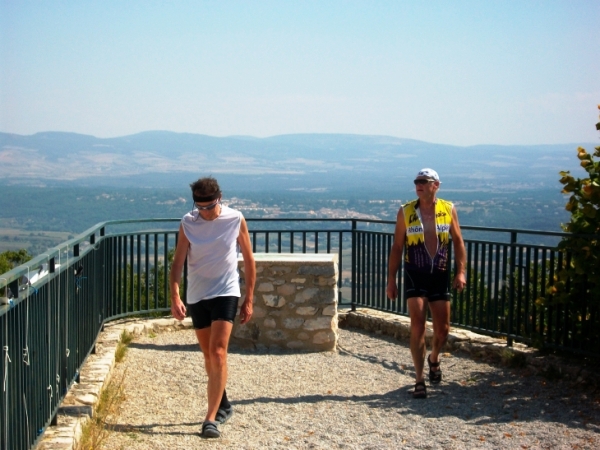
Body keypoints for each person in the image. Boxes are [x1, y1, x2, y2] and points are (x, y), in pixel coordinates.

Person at [169, 176, 256, 438]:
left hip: (226, 291)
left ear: (220, 199)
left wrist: (248, 298)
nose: (205, 213)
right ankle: (224, 402)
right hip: (197, 295)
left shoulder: (235, 219)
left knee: (218, 352)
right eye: (200, 208)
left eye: (210, 207)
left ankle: (210, 419)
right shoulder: (188, 222)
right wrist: (175, 296)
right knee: (208, 355)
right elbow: (177, 263)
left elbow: (250, 261)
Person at [386, 168, 466, 399]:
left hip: (439, 274)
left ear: (436, 185)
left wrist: (461, 272)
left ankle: (434, 358)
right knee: (418, 326)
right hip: (415, 273)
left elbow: (459, 242)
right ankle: (419, 379)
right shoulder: (406, 211)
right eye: (417, 181)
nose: (419, 185)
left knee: (443, 330)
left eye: (424, 181)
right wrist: (391, 279)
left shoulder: (448, 209)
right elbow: (397, 247)